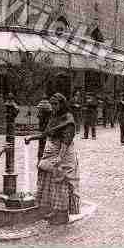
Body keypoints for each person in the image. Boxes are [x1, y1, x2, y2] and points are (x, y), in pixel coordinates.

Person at [25, 93, 79, 225]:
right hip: (51, 151)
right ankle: (53, 209)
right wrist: (32, 137)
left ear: (62, 104)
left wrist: (60, 158)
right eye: (52, 104)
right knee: (49, 181)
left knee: (61, 181)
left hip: (63, 153)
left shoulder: (68, 119)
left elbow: (66, 140)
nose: (53, 107)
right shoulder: (54, 117)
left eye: (55, 104)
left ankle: (62, 213)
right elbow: (46, 133)